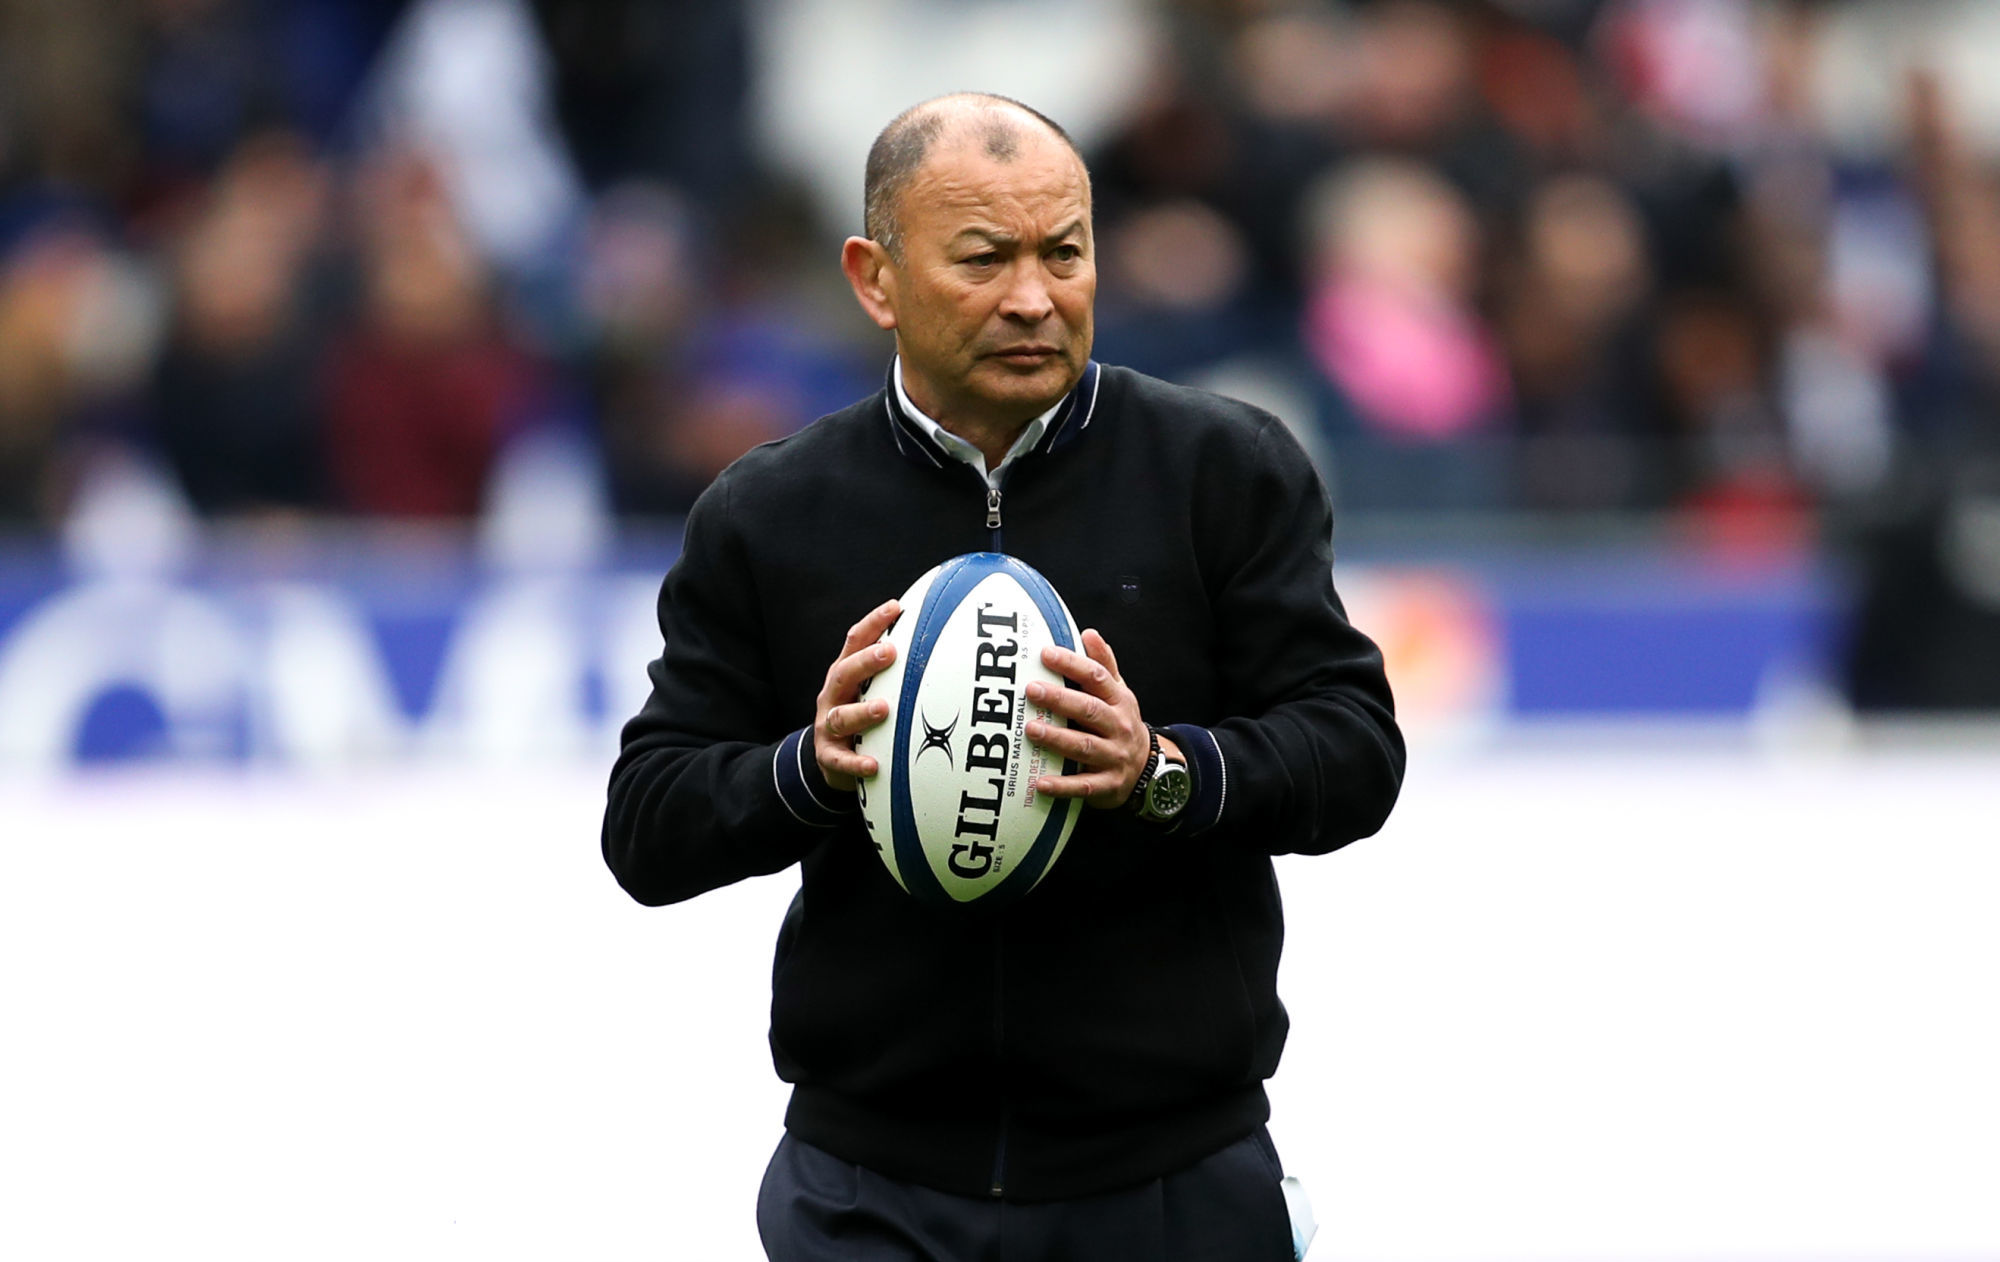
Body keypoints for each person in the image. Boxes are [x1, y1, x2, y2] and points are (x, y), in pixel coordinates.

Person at [603, 93, 1405, 1261]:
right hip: (869, 1188)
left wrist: (1163, 770)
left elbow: (1356, 749)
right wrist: (809, 770)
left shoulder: (1223, 469)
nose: (1033, 296)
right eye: (983, 258)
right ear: (874, 279)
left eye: (1063, 253)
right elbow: (647, 825)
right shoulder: (769, 511)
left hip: (1173, 1179)